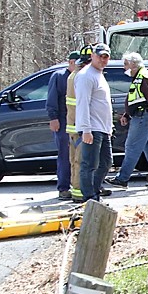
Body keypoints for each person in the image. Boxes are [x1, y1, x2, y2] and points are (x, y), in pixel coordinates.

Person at [106, 52, 148, 189]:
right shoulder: (138, 77)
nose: (124, 68)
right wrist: (127, 115)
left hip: (144, 117)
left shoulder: (143, 77)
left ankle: (122, 179)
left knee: (132, 147)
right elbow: (136, 100)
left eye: (126, 64)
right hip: (143, 116)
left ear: (134, 65)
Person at [75, 43, 114, 202]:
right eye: (99, 56)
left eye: (106, 57)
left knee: (106, 162)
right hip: (91, 128)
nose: (102, 60)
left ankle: (95, 190)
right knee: (89, 164)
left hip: (103, 128)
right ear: (92, 56)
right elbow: (82, 103)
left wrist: (109, 127)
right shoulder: (86, 75)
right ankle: (89, 197)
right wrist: (86, 129)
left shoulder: (99, 74)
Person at [47, 50, 81, 200]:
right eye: (78, 63)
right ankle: (63, 187)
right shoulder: (59, 76)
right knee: (65, 155)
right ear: (71, 62)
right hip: (62, 120)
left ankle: (79, 185)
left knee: (80, 156)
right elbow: (52, 98)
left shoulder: (81, 77)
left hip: (78, 121)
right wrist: (53, 118)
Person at [66, 45, 94, 202]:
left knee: (75, 162)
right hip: (80, 126)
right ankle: (80, 193)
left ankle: (76, 190)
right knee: (82, 161)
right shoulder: (81, 77)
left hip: (73, 125)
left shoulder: (73, 75)